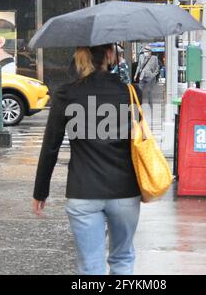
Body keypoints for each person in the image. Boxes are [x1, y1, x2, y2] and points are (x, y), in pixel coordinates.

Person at [32, 44, 142, 275]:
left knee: (90, 267)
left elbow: (50, 146)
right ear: (110, 55)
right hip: (124, 191)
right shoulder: (131, 92)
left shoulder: (66, 94)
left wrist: (40, 192)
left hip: (83, 191)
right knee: (122, 258)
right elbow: (138, 139)